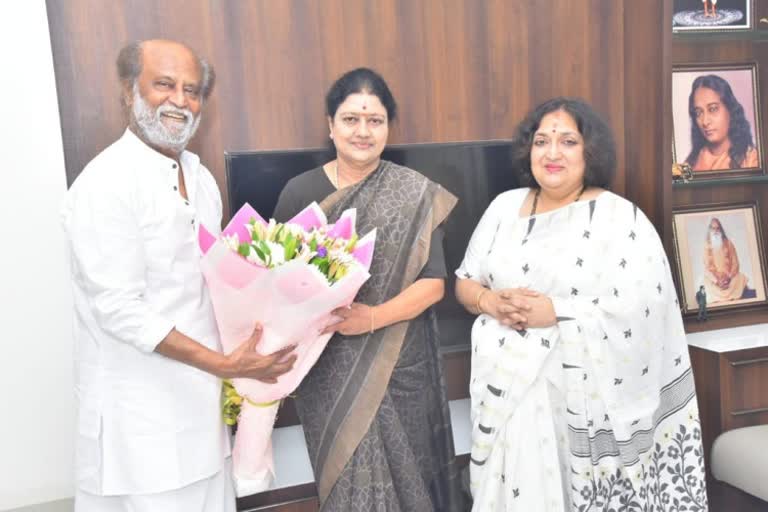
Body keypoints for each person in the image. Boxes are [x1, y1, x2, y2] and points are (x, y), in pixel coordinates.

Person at [62, 39, 296, 512]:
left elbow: (215, 281)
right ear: (129, 92)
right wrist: (226, 365)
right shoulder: (106, 184)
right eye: (164, 85)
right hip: (139, 433)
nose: (180, 101)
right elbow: (120, 310)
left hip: (202, 419)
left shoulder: (200, 175)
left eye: (192, 91)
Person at [455, 98, 708, 511]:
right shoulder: (503, 207)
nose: (552, 153)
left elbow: (644, 307)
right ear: (527, 150)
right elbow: (466, 281)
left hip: (580, 403)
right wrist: (489, 301)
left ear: (590, 152)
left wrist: (558, 312)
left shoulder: (620, 219)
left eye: (567, 141)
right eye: (541, 141)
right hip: (505, 396)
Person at [272, 67, 462, 511]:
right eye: (351, 119)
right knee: (345, 484)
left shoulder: (413, 193)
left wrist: (371, 318)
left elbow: (434, 285)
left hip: (400, 362)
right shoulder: (300, 191)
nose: (363, 131)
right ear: (330, 125)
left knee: (409, 478)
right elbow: (275, 284)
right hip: (328, 370)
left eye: (374, 120)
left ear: (387, 128)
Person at [685, 74, 759, 172]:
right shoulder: (689, 164)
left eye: (713, 109)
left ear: (730, 109)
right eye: (698, 113)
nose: (705, 122)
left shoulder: (752, 160)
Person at [701, 217, 750, 302]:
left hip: (729, 277)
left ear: (721, 229)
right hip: (716, 280)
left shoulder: (728, 243)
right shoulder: (706, 246)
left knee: (740, 277)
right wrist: (717, 281)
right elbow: (706, 268)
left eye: (717, 228)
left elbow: (735, 263)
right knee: (706, 281)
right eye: (713, 228)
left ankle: (727, 294)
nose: (715, 231)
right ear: (710, 230)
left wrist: (729, 277)